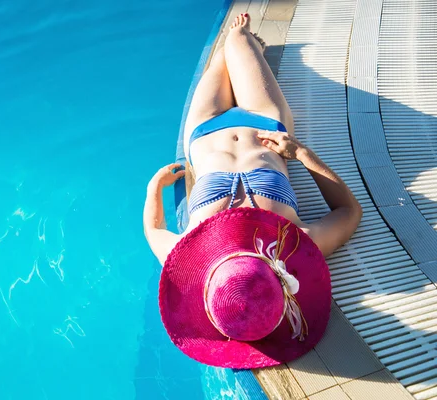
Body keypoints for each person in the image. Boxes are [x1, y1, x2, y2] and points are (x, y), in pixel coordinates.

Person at [143, 14, 362, 369]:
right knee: (237, 39)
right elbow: (349, 211)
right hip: (264, 120)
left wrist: (154, 189)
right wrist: (301, 154)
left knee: (219, 58)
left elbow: (153, 229)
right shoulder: (294, 242)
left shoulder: (186, 251)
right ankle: (247, 39)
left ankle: (243, 45)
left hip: (203, 131)